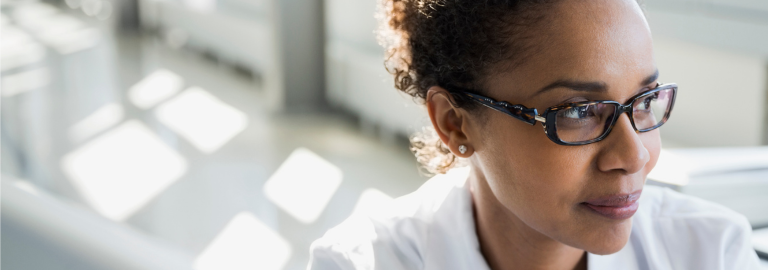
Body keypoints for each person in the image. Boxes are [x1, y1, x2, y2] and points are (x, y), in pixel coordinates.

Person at [308, 0, 762, 269]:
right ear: (455, 122)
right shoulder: (364, 262)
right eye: (579, 111)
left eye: (644, 101)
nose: (634, 155)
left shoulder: (710, 253)